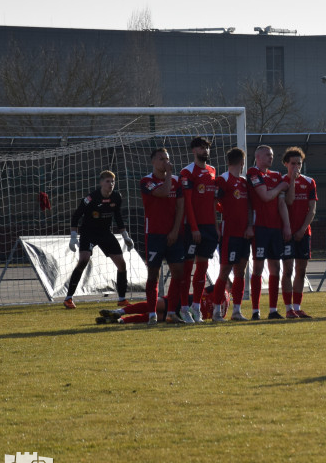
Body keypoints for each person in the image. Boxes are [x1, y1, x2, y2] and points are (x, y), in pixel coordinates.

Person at [64, 170, 134, 309]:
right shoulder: (91, 198)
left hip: (105, 233)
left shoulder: (116, 197)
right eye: (107, 181)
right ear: (101, 183)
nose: (111, 184)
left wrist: (125, 235)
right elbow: (76, 215)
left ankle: (121, 299)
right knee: (83, 260)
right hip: (89, 232)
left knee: (121, 264)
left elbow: (118, 216)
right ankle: (68, 298)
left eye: (112, 181)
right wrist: (73, 237)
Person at [140, 148, 187, 324]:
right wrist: (169, 175)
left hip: (174, 234)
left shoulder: (177, 182)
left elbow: (180, 207)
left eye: (167, 158)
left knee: (179, 273)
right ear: (153, 161)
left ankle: (172, 313)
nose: (165, 162)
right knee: (153, 274)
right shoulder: (146, 181)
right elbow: (163, 192)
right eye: (161, 159)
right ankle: (152, 314)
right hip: (154, 234)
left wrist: (175, 230)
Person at [210, 147, 255, 322]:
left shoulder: (244, 182)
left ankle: (237, 311)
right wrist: (216, 228)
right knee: (225, 271)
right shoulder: (223, 180)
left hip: (244, 233)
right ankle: (216, 311)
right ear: (242, 163)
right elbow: (213, 203)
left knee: (240, 271)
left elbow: (249, 206)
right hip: (229, 234)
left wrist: (250, 226)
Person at [248, 145, 291, 320]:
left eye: (272, 155)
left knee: (276, 268)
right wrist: (281, 186)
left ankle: (273, 310)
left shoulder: (275, 176)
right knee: (258, 267)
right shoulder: (253, 173)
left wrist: (286, 225)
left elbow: (282, 203)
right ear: (258, 157)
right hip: (260, 228)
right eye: (267, 155)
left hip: (275, 228)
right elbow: (265, 196)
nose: (270, 158)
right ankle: (255, 311)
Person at [177, 137, 218, 323]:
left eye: (207, 148)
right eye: (202, 148)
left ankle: (196, 308)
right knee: (187, 269)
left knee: (203, 268)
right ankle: (184, 308)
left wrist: (216, 227)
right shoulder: (187, 172)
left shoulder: (212, 171)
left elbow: (212, 203)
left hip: (209, 228)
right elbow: (188, 204)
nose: (205, 151)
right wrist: (194, 228)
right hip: (193, 228)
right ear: (194, 150)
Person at [282, 147, 317, 319]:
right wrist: (293, 182)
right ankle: (288, 309)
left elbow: (312, 209)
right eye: (293, 164)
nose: (296, 167)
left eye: (299, 164)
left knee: (301, 271)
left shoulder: (310, 182)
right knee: (287, 270)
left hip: (303, 232)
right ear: (286, 164)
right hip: (286, 233)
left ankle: (298, 306)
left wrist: (303, 229)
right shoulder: (282, 182)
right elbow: (288, 201)